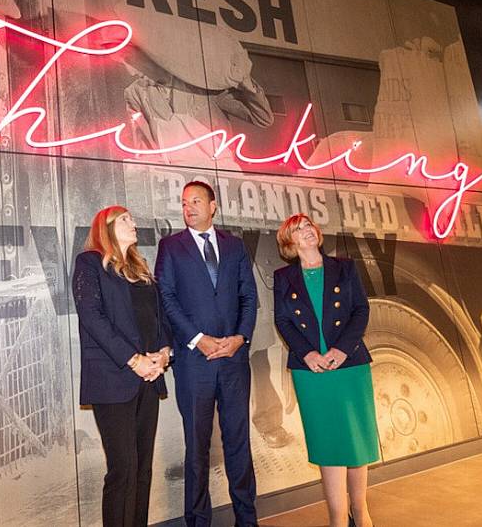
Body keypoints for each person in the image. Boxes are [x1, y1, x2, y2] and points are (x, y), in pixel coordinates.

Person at [155, 181, 259, 527]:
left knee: (238, 444)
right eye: (184, 203)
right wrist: (197, 339)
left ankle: (247, 518)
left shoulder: (235, 246)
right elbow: (166, 299)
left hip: (233, 361)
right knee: (197, 449)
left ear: (213, 206)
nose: (189, 208)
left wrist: (240, 338)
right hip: (194, 364)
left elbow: (248, 296)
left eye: (196, 201)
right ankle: (198, 521)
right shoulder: (170, 247)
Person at [272, 214, 379, 527]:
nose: (306, 231)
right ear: (289, 243)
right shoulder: (283, 277)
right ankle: (336, 518)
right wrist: (306, 354)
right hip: (311, 372)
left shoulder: (344, 267)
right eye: (297, 229)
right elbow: (283, 321)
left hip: (349, 365)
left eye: (308, 226)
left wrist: (341, 349)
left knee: (356, 439)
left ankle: (360, 511)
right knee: (328, 442)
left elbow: (361, 310)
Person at [73, 206, 172, 527]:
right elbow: (92, 318)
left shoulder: (141, 270)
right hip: (113, 380)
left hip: (149, 377)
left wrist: (164, 352)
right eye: (126, 219)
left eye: (132, 218)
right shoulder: (89, 263)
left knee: (143, 469)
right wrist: (134, 360)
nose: (134, 223)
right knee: (123, 470)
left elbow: (159, 319)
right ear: (106, 227)